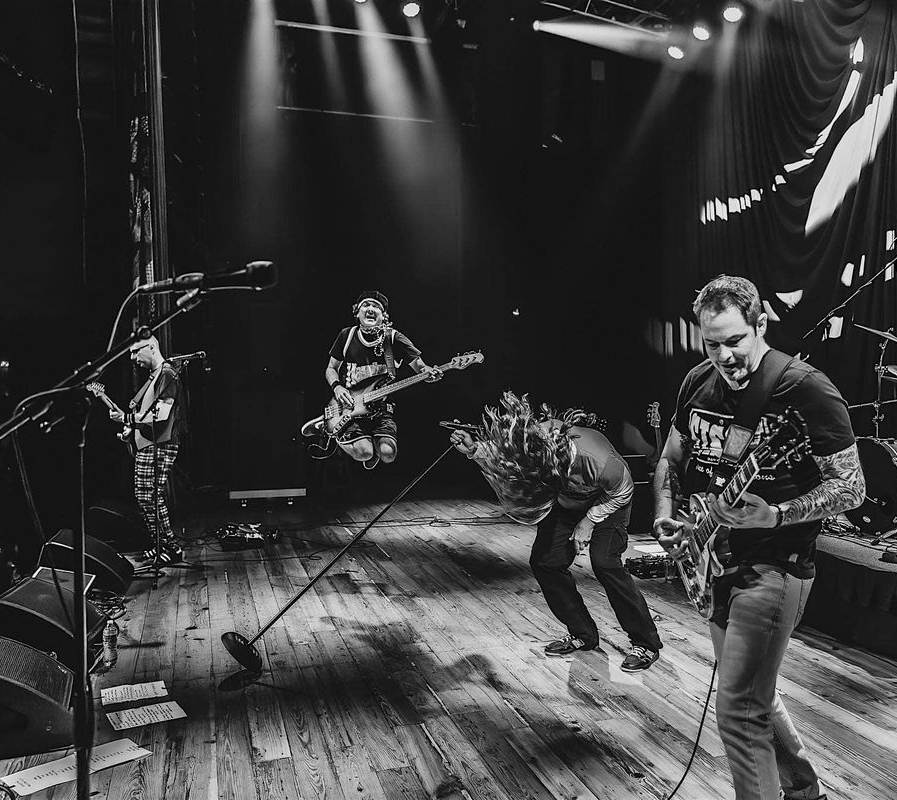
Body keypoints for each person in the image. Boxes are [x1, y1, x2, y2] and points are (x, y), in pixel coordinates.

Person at [653, 275, 865, 800]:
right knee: (754, 697)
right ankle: (802, 789)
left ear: (761, 324)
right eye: (712, 344)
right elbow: (671, 459)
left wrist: (775, 514)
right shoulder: (696, 382)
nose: (724, 356)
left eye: (734, 341)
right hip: (713, 558)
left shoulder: (804, 388)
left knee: (738, 710)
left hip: (775, 566)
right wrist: (665, 515)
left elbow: (852, 487)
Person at [450, 391, 664, 672]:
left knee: (605, 564)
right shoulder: (539, 441)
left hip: (607, 502)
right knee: (545, 562)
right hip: (566, 502)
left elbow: (622, 491)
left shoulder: (600, 462)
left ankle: (645, 642)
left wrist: (588, 522)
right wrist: (474, 450)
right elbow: (512, 456)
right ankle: (582, 633)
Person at [323, 290, 440, 469]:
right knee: (364, 452)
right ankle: (338, 437)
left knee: (388, 454)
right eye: (366, 305)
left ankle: (372, 446)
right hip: (349, 408)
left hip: (382, 409)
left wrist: (429, 373)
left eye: (376, 306)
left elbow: (420, 367)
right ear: (357, 312)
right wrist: (337, 387)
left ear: (384, 315)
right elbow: (331, 368)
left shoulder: (394, 338)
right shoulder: (346, 335)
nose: (371, 309)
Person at [110, 335, 186, 566]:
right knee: (146, 497)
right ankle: (160, 544)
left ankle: (171, 547)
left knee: (150, 496)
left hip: (161, 444)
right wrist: (131, 431)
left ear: (152, 347)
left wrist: (126, 418)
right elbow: (148, 416)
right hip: (149, 443)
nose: (133, 358)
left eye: (136, 351)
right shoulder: (155, 376)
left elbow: (161, 415)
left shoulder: (167, 374)